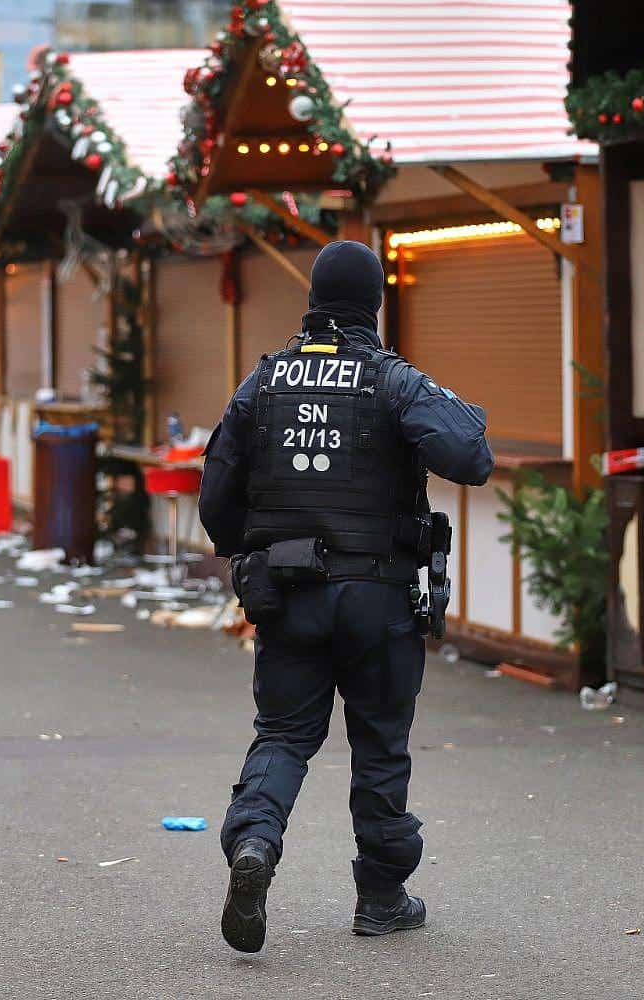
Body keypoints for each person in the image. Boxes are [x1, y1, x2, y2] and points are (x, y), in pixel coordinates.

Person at [199, 240, 493, 953]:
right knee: (381, 743)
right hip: (377, 598)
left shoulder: (263, 381)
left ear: (312, 300)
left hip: (286, 592)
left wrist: (256, 551)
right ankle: (382, 898)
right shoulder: (390, 380)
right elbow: (471, 457)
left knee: (284, 735)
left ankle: (256, 843)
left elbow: (215, 498)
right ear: (374, 304)